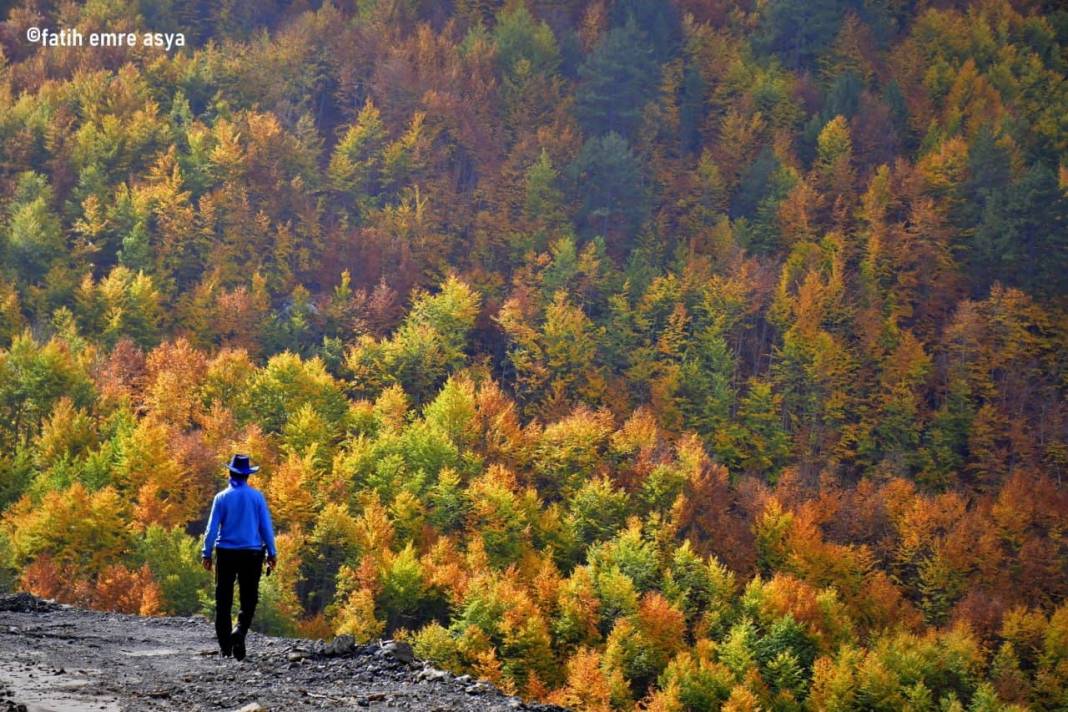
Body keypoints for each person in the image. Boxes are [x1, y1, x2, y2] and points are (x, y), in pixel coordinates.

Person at [201, 454, 277, 661]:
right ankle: (240, 631)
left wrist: (206, 553)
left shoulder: (221, 498)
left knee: (223, 600)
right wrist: (272, 552)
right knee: (249, 598)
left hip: (226, 553)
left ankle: (225, 648)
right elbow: (266, 528)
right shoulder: (257, 497)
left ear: (230, 473)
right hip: (252, 554)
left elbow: (211, 529)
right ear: (247, 476)